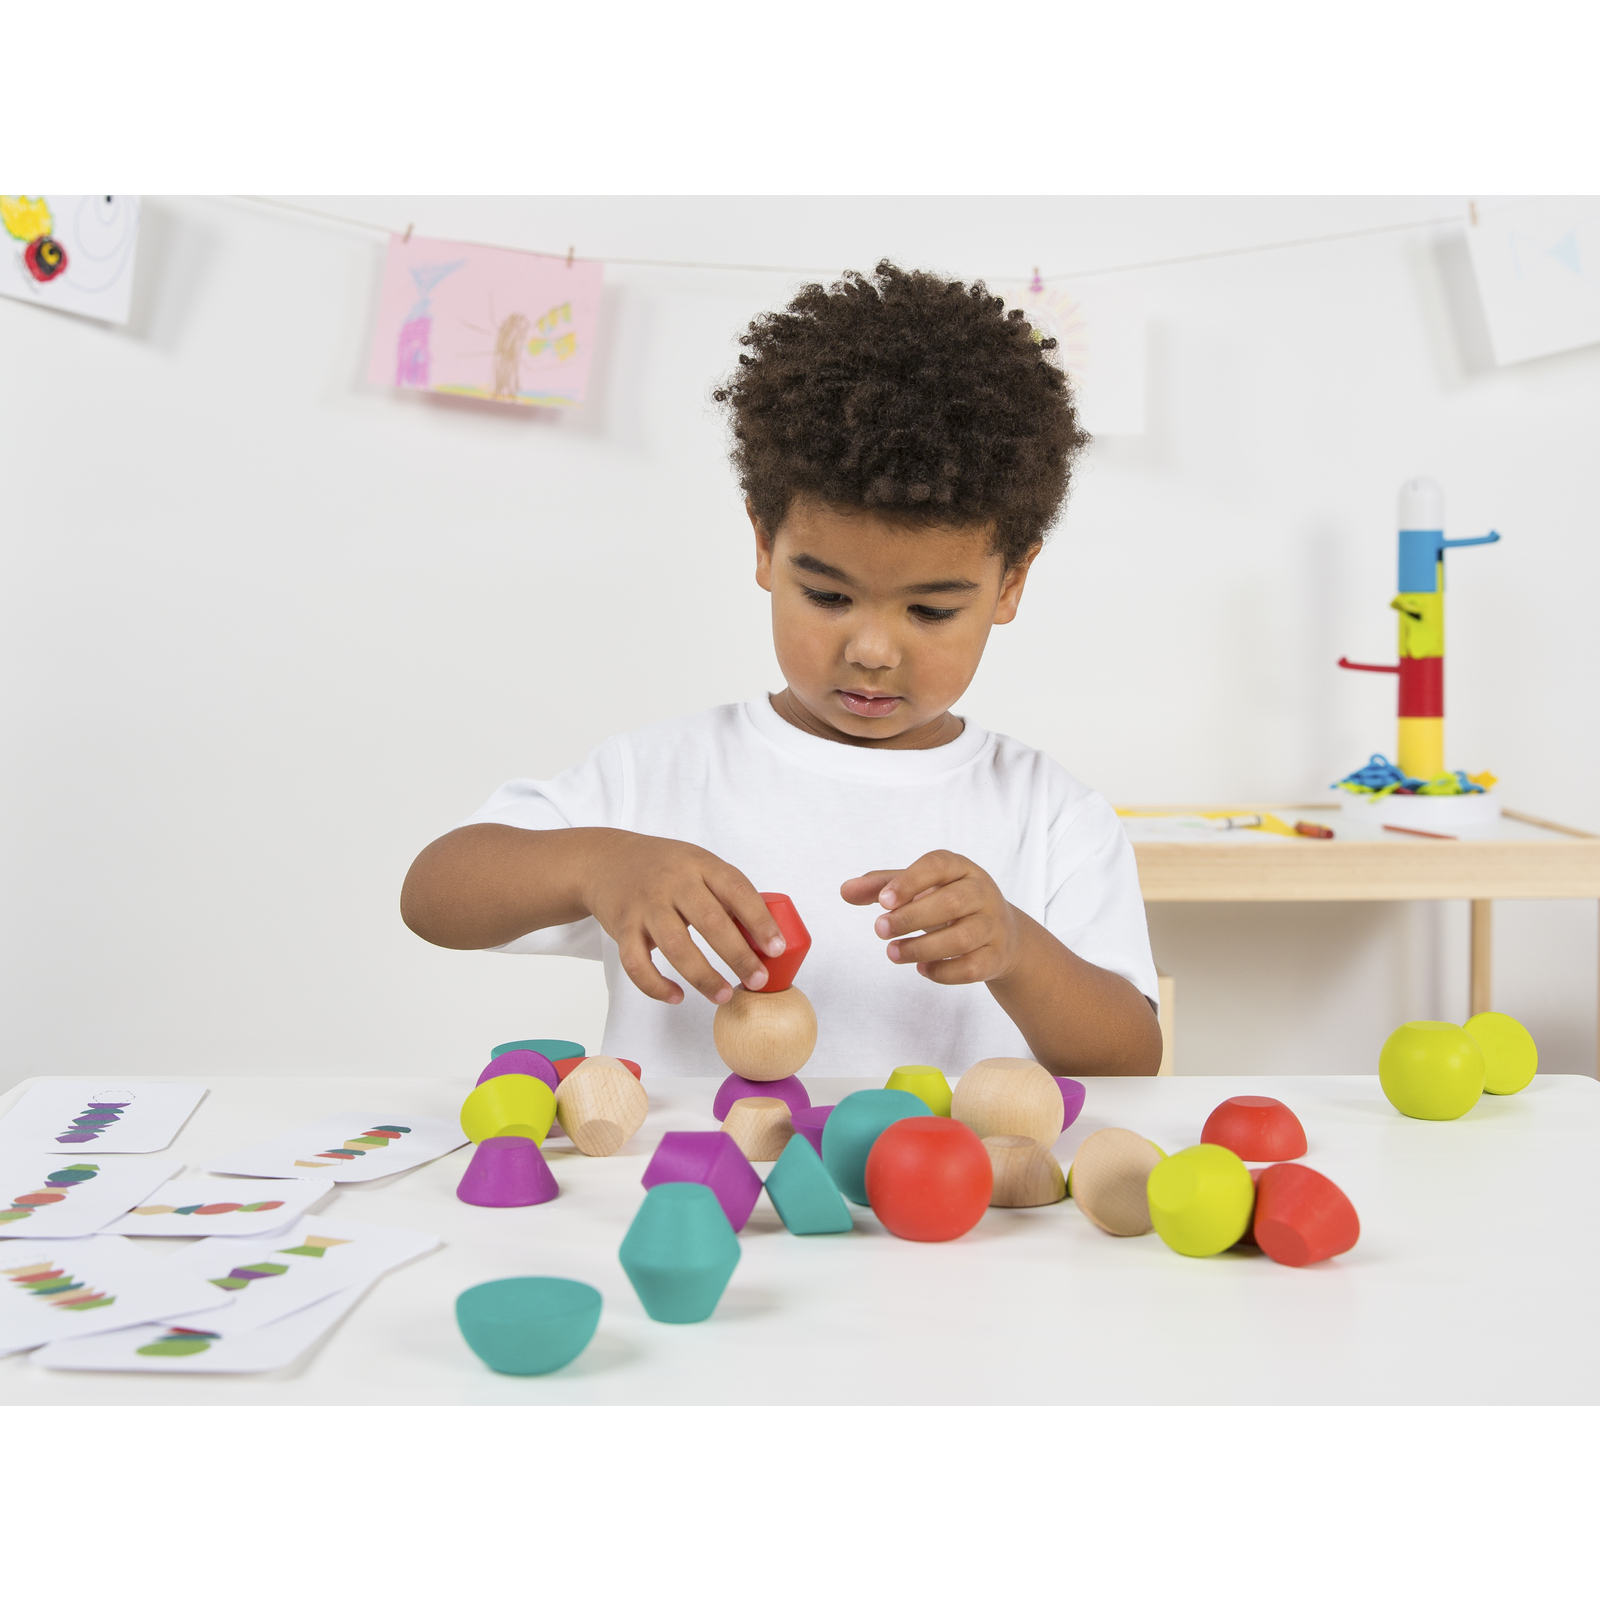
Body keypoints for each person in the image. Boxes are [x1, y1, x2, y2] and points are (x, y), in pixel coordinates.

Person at [402, 261, 1162, 1078]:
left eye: (930, 611)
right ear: (765, 545)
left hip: (951, 1170)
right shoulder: (662, 777)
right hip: (689, 1168)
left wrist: (1017, 949)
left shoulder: (1049, 817)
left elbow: (1131, 1059)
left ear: (1011, 583)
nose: (872, 650)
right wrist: (599, 866)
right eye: (829, 596)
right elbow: (434, 895)